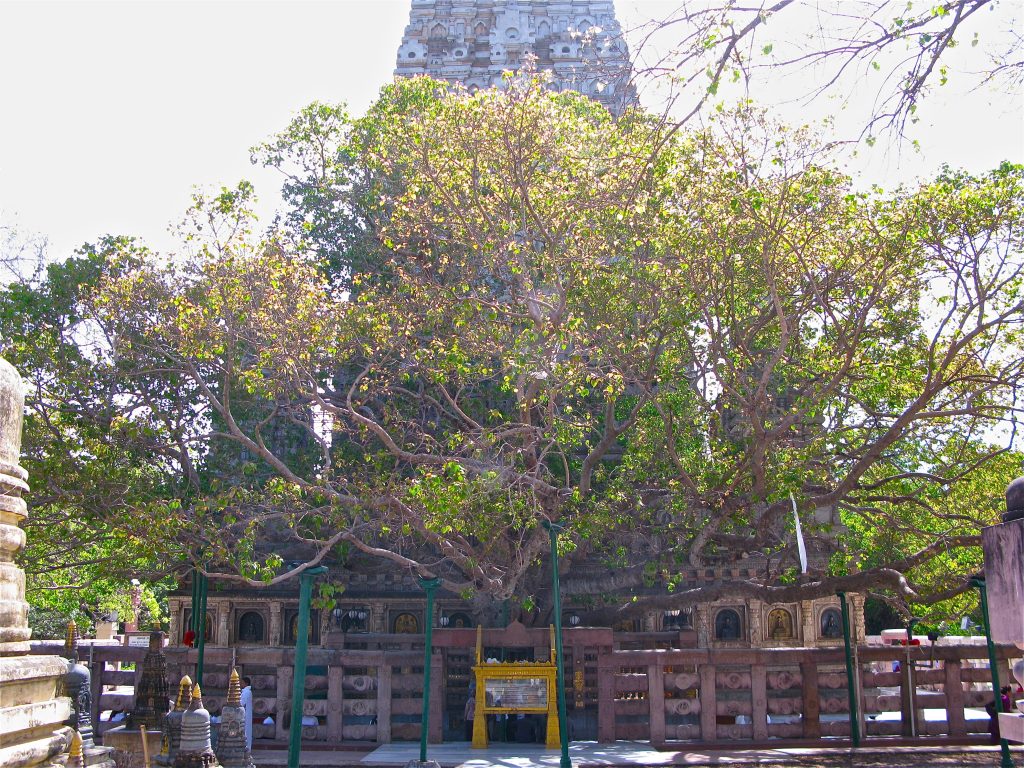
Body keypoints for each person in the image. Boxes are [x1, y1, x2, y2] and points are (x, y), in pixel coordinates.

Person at [240, 676, 253, 750]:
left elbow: (241, 703)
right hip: (244, 714)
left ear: (246, 683)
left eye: (242, 682)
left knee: (245, 731)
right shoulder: (245, 692)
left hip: (245, 714)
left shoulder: (247, 692)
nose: (241, 684)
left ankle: (246, 748)